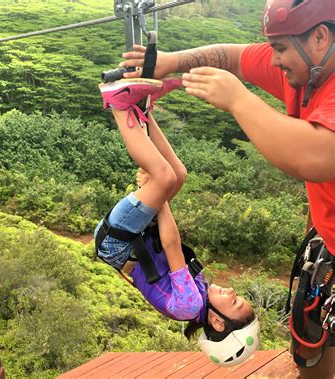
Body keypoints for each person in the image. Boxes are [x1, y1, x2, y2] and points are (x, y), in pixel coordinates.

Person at [119, 0, 334, 376]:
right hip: (325, 237)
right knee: (310, 346)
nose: (274, 61)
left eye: (280, 49)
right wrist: (170, 62)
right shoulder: (306, 67)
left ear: (320, 36)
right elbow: (231, 57)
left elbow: (316, 156)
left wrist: (237, 100)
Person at [94, 77, 260, 366]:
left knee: (165, 178)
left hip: (118, 243)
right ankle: (146, 112)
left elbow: (172, 245)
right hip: (136, 239)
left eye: (234, 302)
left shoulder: (190, 305)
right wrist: (158, 194)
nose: (234, 292)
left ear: (218, 323)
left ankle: (118, 105)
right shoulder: (198, 298)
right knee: (178, 175)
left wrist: (159, 195)